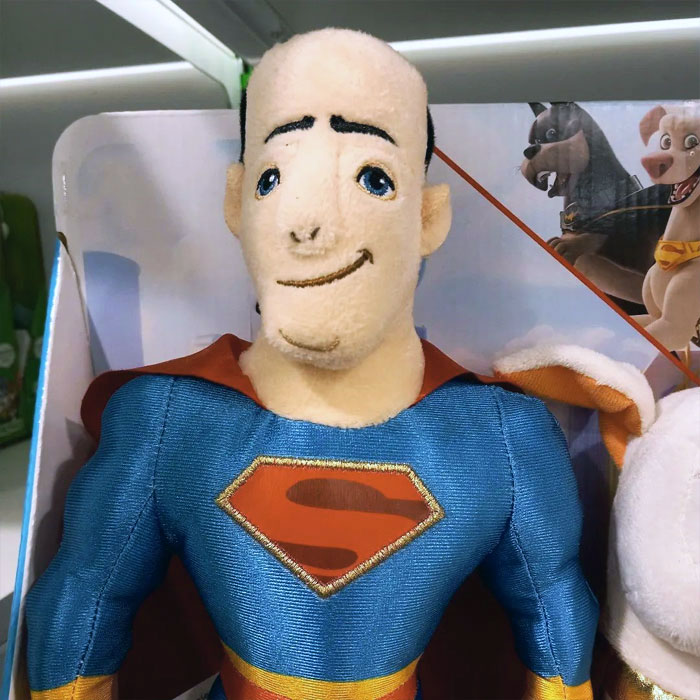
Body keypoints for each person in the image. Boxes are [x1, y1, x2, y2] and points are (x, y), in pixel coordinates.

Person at [25, 29, 597, 700]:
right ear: (237, 200)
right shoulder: (168, 420)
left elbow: (556, 614)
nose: (309, 223)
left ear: (428, 217)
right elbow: (82, 598)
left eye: (374, 178)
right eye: (274, 178)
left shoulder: (500, 436)